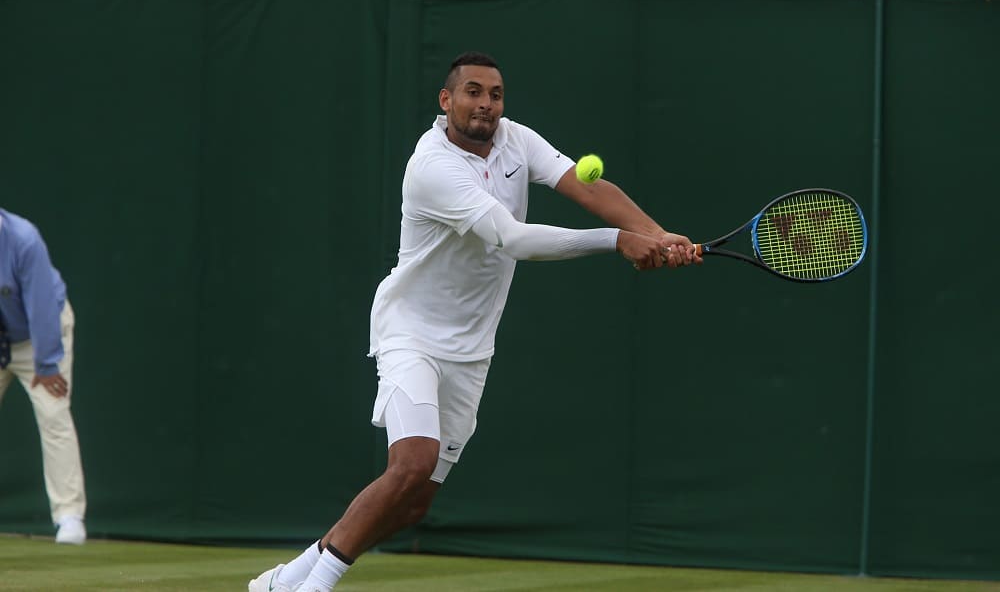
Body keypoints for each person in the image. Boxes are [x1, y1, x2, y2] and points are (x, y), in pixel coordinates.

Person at [248, 51, 701, 592]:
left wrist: (656, 233)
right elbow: (512, 238)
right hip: (410, 332)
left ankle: (284, 579)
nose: (486, 104)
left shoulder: (516, 140)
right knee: (413, 462)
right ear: (447, 101)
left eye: (496, 94)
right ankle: (314, 587)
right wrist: (618, 241)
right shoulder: (432, 166)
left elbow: (587, 187)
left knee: (414, 503)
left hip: (471, 350)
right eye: (473, 92)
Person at [0, 207, 87, 545]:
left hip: (42, 335)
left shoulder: (24, 239)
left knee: (53, 416)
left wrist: (47, 363)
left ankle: (69, 517)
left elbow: (42, 302)